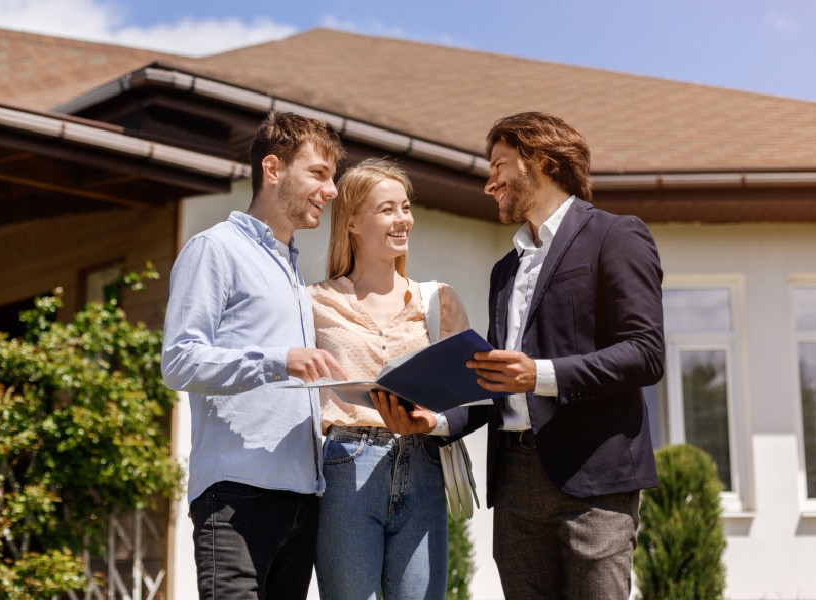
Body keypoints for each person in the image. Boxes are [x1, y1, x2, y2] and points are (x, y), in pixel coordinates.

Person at [380, 112, 665, 600]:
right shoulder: (504, 271)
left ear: (541, 161)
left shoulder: (616, 236)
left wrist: (540, 375)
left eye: (499, 166)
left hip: (593, 482)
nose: (489, 184)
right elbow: (495, 382)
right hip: (513, 483)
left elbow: (645, 353)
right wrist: (437, 421)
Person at [160, 111, 348, 600]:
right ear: (272, 169)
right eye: (319, 174)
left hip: (304, 501)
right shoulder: (215, 249)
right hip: (236, 498)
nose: (331, 191)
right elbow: (179, 360)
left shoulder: (290, 268)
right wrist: (275, 361)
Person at [308, 158, 469, 600]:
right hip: (346, 468)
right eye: (387, 210)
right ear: (353, 221)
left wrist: (432, 420)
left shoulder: (438, 301)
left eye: (406, 207)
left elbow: (470, 397)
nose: (403, 220)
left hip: (423, 465)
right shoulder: (314, 303)